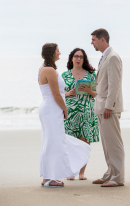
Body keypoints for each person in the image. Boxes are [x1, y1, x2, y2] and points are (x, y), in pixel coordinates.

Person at [38, 43, 91, 187]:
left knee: (52, 141)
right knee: (53, 142)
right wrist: (65, 109)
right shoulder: (48, 70)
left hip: (49, 108)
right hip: (52, 109)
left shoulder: (45, 68)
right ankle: (50, 177)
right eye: (57, 51)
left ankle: (48, 177)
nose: (60, 53)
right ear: (52, 53)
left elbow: (56, 93)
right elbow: (56, 94)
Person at [91, 29, 125, 187]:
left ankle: (117, 177)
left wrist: (109, 107)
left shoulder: (112, 57)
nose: (92, 43)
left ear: (102, 39)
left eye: (93, 40)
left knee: (114, 143)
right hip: (101, 106)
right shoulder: (105, 57)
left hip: (108, 108)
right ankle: (110, 173)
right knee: (106, 144)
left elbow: (114, 85)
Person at [62, 48, 99, 180]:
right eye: (76, 56)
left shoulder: (91, 75)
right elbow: (58, 93)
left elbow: (96, 94)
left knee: (84, 144)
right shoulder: (64, 75)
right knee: (70, 143)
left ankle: (82, 173)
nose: (78, 58)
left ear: (84, 59)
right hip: (70, 113)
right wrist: (67, 94)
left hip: (86, 112)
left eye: (81, 57)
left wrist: (89, 90)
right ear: (71, 58)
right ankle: (71, 171)